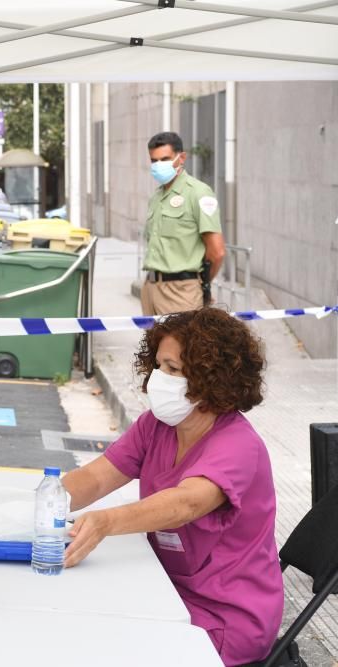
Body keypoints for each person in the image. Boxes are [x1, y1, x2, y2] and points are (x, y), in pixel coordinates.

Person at [61, 307, 283, 666]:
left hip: (225, 616)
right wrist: (41, 502)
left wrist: (105, 523)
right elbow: (98, 476)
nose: (157, 379)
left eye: (173, 370)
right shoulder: (157, 425)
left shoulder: (239, 445)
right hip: (166, 589)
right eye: (159, 365)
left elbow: (186, 504)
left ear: (211, 379)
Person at [140, 131, 226, 315]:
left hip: (180, 292)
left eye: (165, 159)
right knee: (151, 345)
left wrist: (200, 284)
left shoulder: (199, 193)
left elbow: (217, 252)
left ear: (182, 158)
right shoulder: (156, 197)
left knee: (175, 345)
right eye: (154, 161)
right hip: (151, 289)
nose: (158, 165)